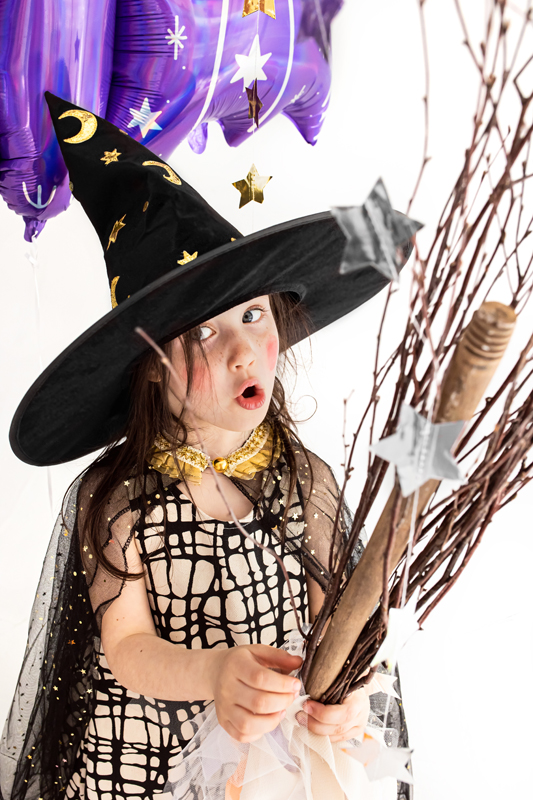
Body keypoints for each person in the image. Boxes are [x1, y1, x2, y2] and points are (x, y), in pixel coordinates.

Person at [1, 94, 411, 800]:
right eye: (202, 333)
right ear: (148, 369)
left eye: (253, 314)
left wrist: (347, 690)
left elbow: (339, 617)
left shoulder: (302, 480)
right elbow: (126, 645)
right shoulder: (118, 499)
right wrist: (216, 671)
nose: (244, 351)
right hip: (146, 762)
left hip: (271, 762)